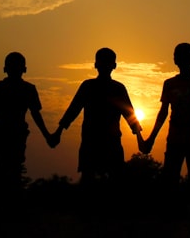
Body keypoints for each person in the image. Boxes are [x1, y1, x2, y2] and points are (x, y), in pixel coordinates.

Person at [52, 47, 144, 182]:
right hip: (95, 142)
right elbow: (73, 110)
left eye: (107, 62)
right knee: (95, 179)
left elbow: (130, 115)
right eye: (103, 62)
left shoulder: (110, 88)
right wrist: (58, 131)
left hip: (103, 142)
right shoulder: (95, 86)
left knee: (101, 178)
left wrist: (58, 132)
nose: (105, 65)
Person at [142, 42, 190, 191]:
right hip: (175, 139)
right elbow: (163, 112)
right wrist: (151, 138)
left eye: (187, 57)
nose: (184, 61)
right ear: (176, 60)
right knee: (171, 179)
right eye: (181, 57)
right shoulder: (169, 84)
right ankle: (172, 212)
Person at [0, 52, 56, 179]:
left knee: (6, 168)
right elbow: (36, 115)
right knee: (11, 169)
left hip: (8, 134)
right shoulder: (26, 89)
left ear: (5, 69)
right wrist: (47, 136)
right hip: (11, 134)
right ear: (25, 69)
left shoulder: (0, 89)